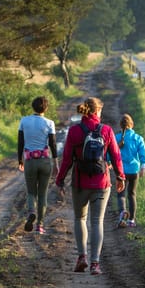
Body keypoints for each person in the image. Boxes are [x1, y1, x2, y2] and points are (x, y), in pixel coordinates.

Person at [55, 97, 125, 275]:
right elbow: (116, 156)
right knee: (97, 221)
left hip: (80, 182)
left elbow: (67, 159)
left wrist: (60, 180)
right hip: (101, 183)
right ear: (97, 111)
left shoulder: (74, 131)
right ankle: (95, 263)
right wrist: (120, 177)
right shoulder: (106, 130)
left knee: (80, 219)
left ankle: (82, 257)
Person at [17, 96, 58, 235]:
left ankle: (31, 212)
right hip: (44, 160)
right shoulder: (49, 123)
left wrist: (20, 160)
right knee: (42, 194)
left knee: (31, 192)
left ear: (32, 107)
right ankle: (39, 225)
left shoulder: (24, 121)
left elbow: (20, 143)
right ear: (46, 108)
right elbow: (53, 144)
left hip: (30, 160)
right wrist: (56, 163)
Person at [113, 113, 145, 228]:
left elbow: (111, 153)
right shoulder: (138, 138)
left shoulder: (116, 138)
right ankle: (131, 220)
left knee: (121, 194)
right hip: (134, 171)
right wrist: (143, 166)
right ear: (132, 125)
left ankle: (123, 213)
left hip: (121, 171)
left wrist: (109, 162)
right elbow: (142, 154)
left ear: (121, 125)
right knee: (132, 194)